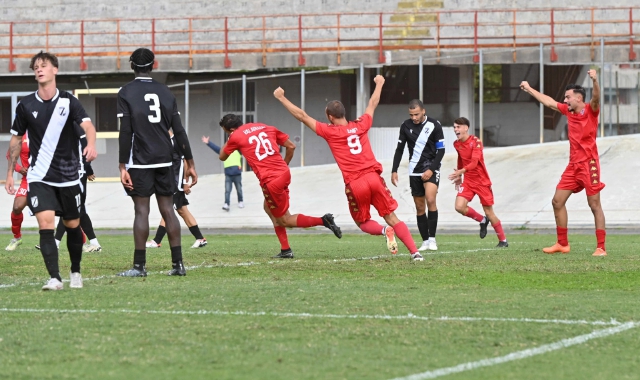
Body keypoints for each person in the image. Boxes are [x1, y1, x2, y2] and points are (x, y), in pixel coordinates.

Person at [274, 75, 424, 261]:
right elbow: (373, 103)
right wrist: (379, 84)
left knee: (362, 222)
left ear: (330, 117)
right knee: (391, 215)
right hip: (374, 178)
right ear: (344, 114)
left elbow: (302, 116)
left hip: (356, 183)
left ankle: (385, 230)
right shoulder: (361, 125)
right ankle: (415, 253)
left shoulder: (329, 131)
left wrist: (281, 97)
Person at [5, 51, 97, 290]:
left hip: (68, 177)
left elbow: (88, 126)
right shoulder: (25, 105)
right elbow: (15, 142)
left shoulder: (68, 101)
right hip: (40, 176)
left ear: (55, 70)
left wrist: (92, 145)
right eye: (36, 67)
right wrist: (9, 174)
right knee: (45, 224)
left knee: (72, 224)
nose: (39, 69)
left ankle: (75, 272)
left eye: (44, 66)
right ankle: (55, 278)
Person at [117, 47, 197, 277]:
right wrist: (190, 162)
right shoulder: (165, 91)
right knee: (168, 210)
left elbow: (126, 132)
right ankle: (178, 264)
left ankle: (139, 266)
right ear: (154, 65)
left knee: (142, 211)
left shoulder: (125, 92)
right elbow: (179, 131)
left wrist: (123, 166)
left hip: (140, 161)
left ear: (132, 65)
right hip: (165, 159)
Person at [218, 113, 342, 258]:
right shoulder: (264, 126)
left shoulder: (235, 136)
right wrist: (283, 166)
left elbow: (222, 156)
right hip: (283, 173)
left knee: (285, 220)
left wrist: (230, 137)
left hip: (271, 181)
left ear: (230, 129)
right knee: (268, 207)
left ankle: (323, 220)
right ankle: (285, 249)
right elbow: (291, 146)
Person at [520, 70, 607, 256]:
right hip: (573, 166)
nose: (565, 100)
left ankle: (601, 247)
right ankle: (562, 244)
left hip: (589, 165)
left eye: (568, 97)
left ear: (578, 98)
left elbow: (597, 98)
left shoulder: (590, 110)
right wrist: (529, 89)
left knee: (594, 205)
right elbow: (549, 102)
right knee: (557, 201)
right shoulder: (568, 111)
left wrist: (595, 81)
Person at [391, 99, 445, 252]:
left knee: (430, 199)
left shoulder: (434, 125)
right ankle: (425, 240)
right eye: (411, 115)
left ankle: (433, 239)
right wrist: (394, 169)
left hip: (431, 167)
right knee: (420, 207)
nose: (414, 117)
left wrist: (431, 169)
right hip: (414, 170)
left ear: (423, 111)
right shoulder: (405, 126)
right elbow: (399, 149)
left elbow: (441, 150)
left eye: (416, 114)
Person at [447, 117, 508, 247]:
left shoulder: (476, 142)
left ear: (466, 128)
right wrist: (459, 176)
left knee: (489, 212)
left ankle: (503, 241)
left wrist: (461, 171)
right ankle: (482, 220)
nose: (455, 129)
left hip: (481, 181)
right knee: (459, 207)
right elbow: (461, 158)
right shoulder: (456, 144)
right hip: (468, 181)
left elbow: (474, 163)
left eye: (458, 127)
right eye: (454, 127)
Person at [147, 131, 207, 249]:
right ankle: (200, 239)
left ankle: (157, 240)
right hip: (171, 181)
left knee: (167, 209)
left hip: (176, 183)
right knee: (182, 210)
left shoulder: (177, 140)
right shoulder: (166, 140)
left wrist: (184, 183)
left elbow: (184, 163)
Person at [52, 124, 102, 252]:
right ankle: (94, 242)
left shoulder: (77, 129)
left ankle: (56, 242)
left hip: (77, 175)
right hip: (67, 174)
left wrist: (88, 169)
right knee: (74, 209)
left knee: (74, 208)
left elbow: (86, 150)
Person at [201, 135, 244, 211]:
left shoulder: (238, 150)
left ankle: (240, 201)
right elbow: (216, 148)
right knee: (227, 190)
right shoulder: (224, 151)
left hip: (237, 173)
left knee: (239, 189)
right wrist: (208, 143)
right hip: (228, 174)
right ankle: (226, 203)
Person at [5, 133, 29, 251]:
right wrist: (19, 169)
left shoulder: (45, 129)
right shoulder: (21, 135)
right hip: (27, 180)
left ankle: (82, 241)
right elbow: (10, 155)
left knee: (62, 209)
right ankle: (17, 237)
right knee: (16, 207)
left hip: (45, 179)